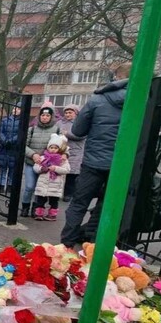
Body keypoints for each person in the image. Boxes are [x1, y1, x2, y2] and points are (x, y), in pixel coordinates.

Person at [60, 63, 131, 249]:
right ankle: (94, 242)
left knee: (79, 203)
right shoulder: (144, 99)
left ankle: (67, 243)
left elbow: (78, 130)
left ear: (116, 76)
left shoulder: (97, 100)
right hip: (123, 166)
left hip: (94, 162)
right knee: (109, 203)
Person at [20, 105, 60, 217]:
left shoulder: (56, 130)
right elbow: (23, 145)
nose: (45, 117)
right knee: (29, 186)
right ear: (39, 116)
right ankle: (25, 207)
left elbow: (61, 146)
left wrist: (64, 154)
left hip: (46, 165)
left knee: (40, 188)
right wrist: (33, 154)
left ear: (51, 117)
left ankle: (36, 208)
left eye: (47, 115)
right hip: (31, 163)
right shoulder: (32, 129)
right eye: (42, 115)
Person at [33, 134, 70, 221]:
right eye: (51, 147)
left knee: (53, 201)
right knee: (41, 199)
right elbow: (35, 167)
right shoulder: (43, 158)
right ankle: (39, 213)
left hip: (55, 184)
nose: (53, 150)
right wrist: (41, 168)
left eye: (55, 148)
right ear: (48, 148)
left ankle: (52, 215)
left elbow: (67, 170)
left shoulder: (62, 159)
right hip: (43, 183)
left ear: (59, 149)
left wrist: (56, 168)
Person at [57, 104, 85, 201]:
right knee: (59, 171)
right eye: (66, 112)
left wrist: (67, 134)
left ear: (76, 113)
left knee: (71, 174)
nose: (68, 114)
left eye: (70, 112)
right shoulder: (59, 123)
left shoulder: (80, 123)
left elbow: (81, 135)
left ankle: (68, 194)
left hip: (76, 151)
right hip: (61, 150)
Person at [0, 104, 22, 194]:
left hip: (14, 149)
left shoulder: (22, 122)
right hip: (4, 148)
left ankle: (10, 186)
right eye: (15, 108)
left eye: (18, 109)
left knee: (12, 168)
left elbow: (20, 134)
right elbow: (0, 131)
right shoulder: (5, 120)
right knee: (3, 167)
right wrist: (4, 141)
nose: (16, 110)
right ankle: (1, 185)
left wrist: (11, 141)